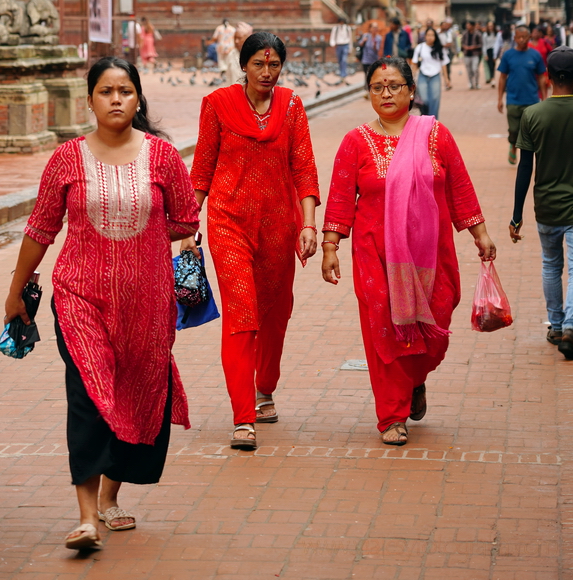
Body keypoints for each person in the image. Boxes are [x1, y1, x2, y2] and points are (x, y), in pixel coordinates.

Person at [4, 57, 199, 551]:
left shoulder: (162, 157)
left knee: (136, 390)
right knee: (88, 396)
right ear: (89, 99)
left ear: (138, 99)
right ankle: (87, 517)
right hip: (79, 296)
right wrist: (14, 291)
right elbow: (41, 229)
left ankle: (111, 495)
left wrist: (147, 239)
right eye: (107, 91)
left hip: (148, 304)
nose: (116, 99)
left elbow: (186, 219)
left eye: (126, 91)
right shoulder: (67, 158)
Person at [321, 57, 496, 446]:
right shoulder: (356, 142)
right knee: (384, 324)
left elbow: (460, 188)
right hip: (374, 253)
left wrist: (480, 234)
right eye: (377, 87)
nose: (386, 93)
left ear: (412, 91)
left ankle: (416, 379)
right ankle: (391, 416)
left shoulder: (435, 135)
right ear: (368, 93)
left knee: (433, 329)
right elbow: (338, 198)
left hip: (430, 254)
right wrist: (330, 246)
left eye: (394, 86)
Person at [184, 32, 320, 451]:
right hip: (229, 223)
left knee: (275, 314)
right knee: (242, 315)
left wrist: (309, 224)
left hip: (281, 226)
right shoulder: (217, 105)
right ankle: (243, 417)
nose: (266, 72)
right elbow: (202, 167)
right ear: (243, 65)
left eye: (274, 64)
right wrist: (189, 225)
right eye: (258, 64)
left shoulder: (292, 105)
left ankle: (265, 390)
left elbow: (305, 168)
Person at [509, 47, 573, 358]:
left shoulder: (532, 114)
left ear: (547, 78)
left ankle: (557, 325)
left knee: (551, 265)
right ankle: (571, 326)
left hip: (545, 204)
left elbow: (525, 168)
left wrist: (516, 215)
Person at [497, 25, 547, 165]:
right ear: (514, 38)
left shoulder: (535, 55)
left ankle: (530, 156)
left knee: (532, 131)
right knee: (514, 129)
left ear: (529, 37)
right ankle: (513, 146)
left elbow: (541, 77)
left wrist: (544, 98)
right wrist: (500, 99)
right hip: (513, 99)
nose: (521, 40)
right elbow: (502, 77)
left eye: (524, 37)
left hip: (531, 99)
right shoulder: (508, 55)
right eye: (518, 37)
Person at [412, 27, 450, 117]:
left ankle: (433, 120)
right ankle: (425, 118)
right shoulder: (420, 47)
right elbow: (414, 63)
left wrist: (446, 79)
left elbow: (444, 64)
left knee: (435, 99)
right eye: (428, 35)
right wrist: (412, 78)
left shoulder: (440, 48)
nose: (430, 37)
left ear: (435, 37)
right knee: (424, 99)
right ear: (425, 36)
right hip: (423, 75)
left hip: (435, 76)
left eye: (432, 35)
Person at [461, 20, 482, 89]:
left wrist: (474, 47)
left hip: (475, 54)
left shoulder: (478, 34)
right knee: (468, 70)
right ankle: (470, 83)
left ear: (472, 26)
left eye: (469, 25)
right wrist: (465, 47)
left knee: (475, 69)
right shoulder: (464, 34)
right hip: (467, 54)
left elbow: (481, 44)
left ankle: (476, 83)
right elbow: (462, 43)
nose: (467, 26)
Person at [482, 21, 498, 87]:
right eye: (489, 26)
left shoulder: (496, 34)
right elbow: (484, 45)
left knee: (493, 65)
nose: (490, 27)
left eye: (491, 26)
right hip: (488, 51)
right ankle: (492, 78)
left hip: (494, 51)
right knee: (490, 65)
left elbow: (497, 44)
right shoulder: (485, 34)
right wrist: (485, 54)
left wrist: (496, 54)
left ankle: (492, 78)